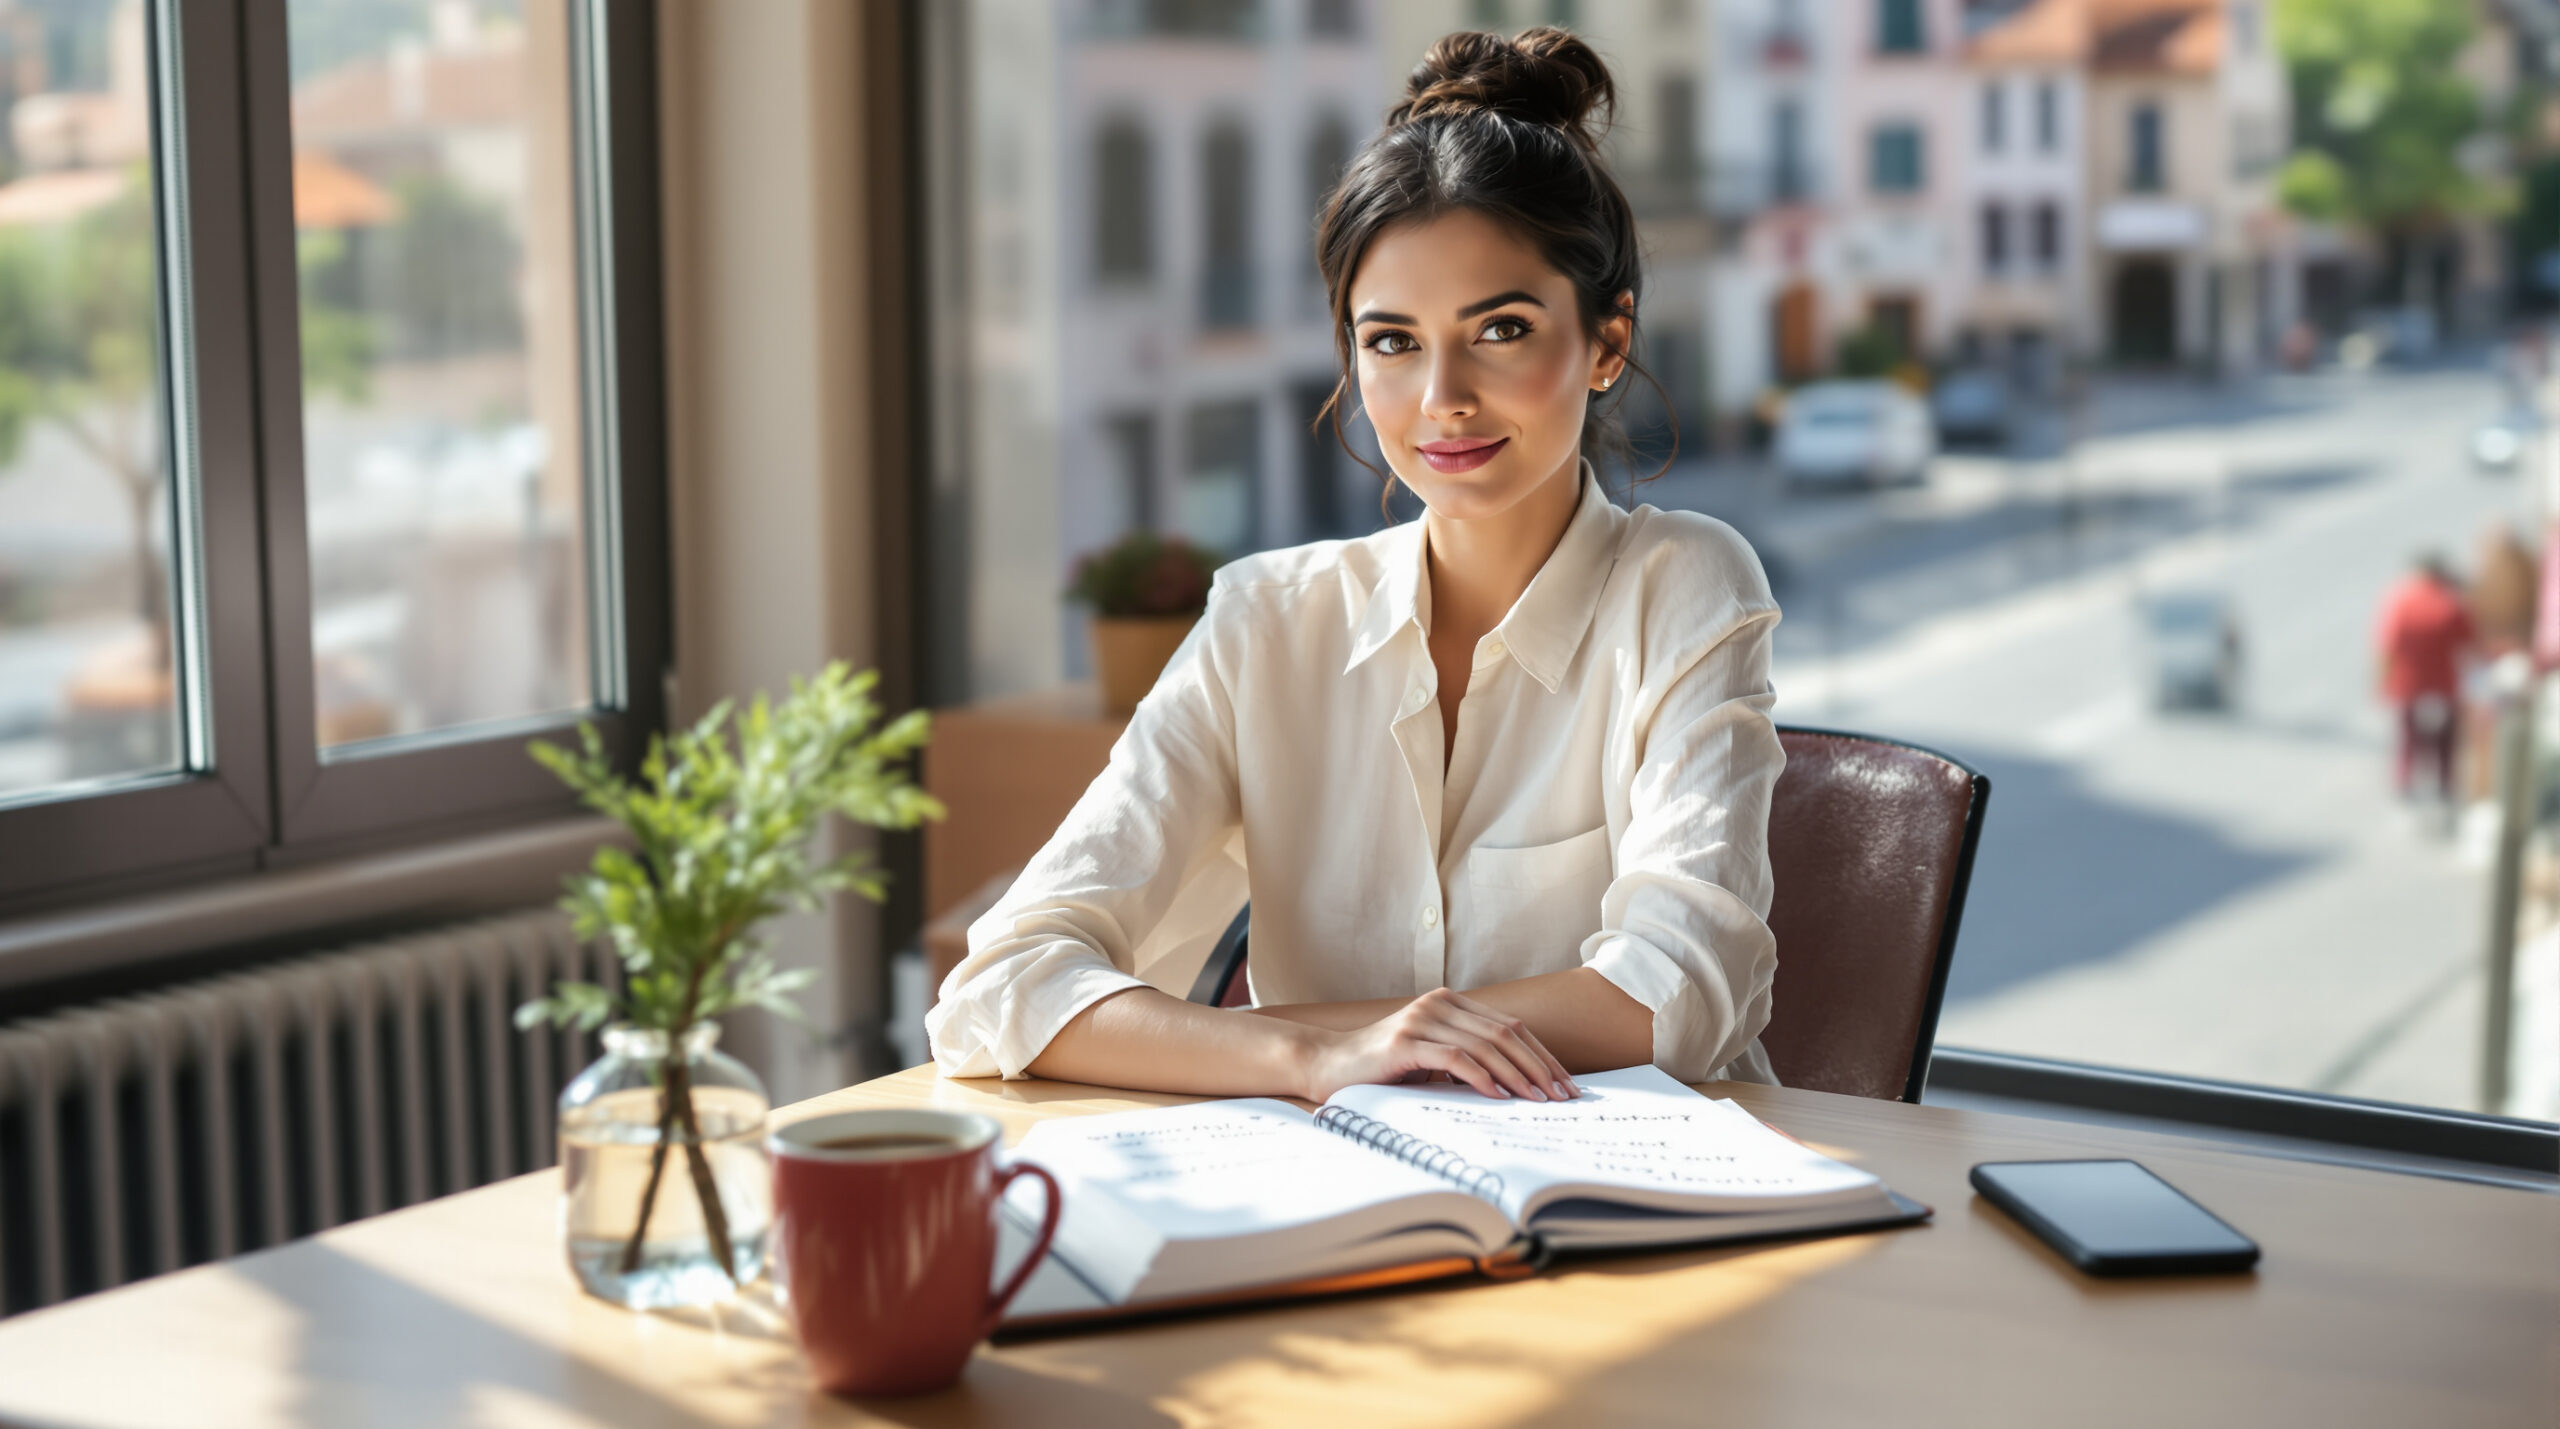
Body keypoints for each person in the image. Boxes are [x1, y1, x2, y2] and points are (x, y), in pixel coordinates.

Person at [928, 28, 1783, 1104]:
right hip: (1347, 1205)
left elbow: (1677, 999)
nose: (1442, 399)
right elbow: (1000, 983)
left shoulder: (1686, 583)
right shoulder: (1265, 624)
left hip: (1642, 1209)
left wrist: (1299, 1036)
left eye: (1502, 328)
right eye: (1391, 341)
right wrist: (1315, 1056)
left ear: (1607, 342)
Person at [2375, 552, 2475, 808]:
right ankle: (2444, 784)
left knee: (2409, 737)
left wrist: (2381, 681)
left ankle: (2405, 781)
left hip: (2408, 683)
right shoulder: (2450, 603)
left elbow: (2387, 645)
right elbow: (2469, 642)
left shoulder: (2401, 601)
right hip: (2443, 682)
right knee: (2445, 741)